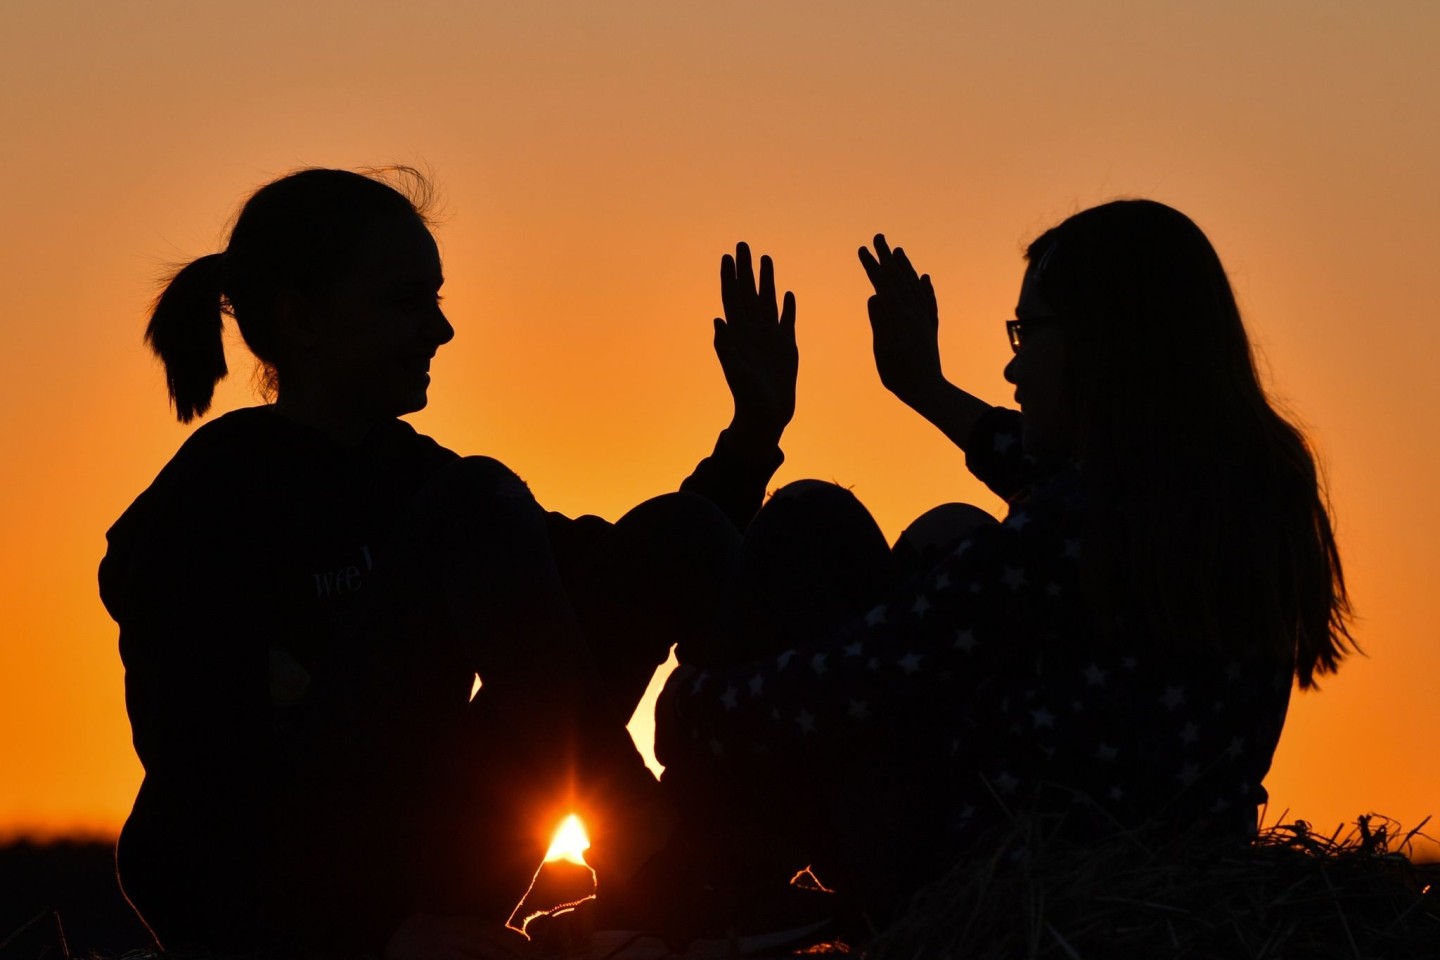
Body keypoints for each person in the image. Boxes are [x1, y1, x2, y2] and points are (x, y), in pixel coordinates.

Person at [99, 166, 799, 957]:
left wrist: (749, 438)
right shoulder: (210, 507)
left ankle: (756, 861)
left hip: (429, 861)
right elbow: (197, 803)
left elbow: (616, 576)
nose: (441, 331)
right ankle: (656, 857)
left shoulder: (417, 478)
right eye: (406, 302)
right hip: (293, 903)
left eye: (435, 299)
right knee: (479, 500)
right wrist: (371, 938)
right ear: (302, 320)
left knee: (683, 529)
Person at [656, 200, 1355, 926]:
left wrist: (697, 704)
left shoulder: (1082, 522)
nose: (1012, 366)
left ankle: (694, 875)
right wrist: (922, 386)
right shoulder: (1243, 490)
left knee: (812, 519)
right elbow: (1039, 472)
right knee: (952, 531)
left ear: (1099, 340)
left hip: (979, 870)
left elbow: (873, 666)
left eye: (1028, 333)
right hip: (1157, 880)